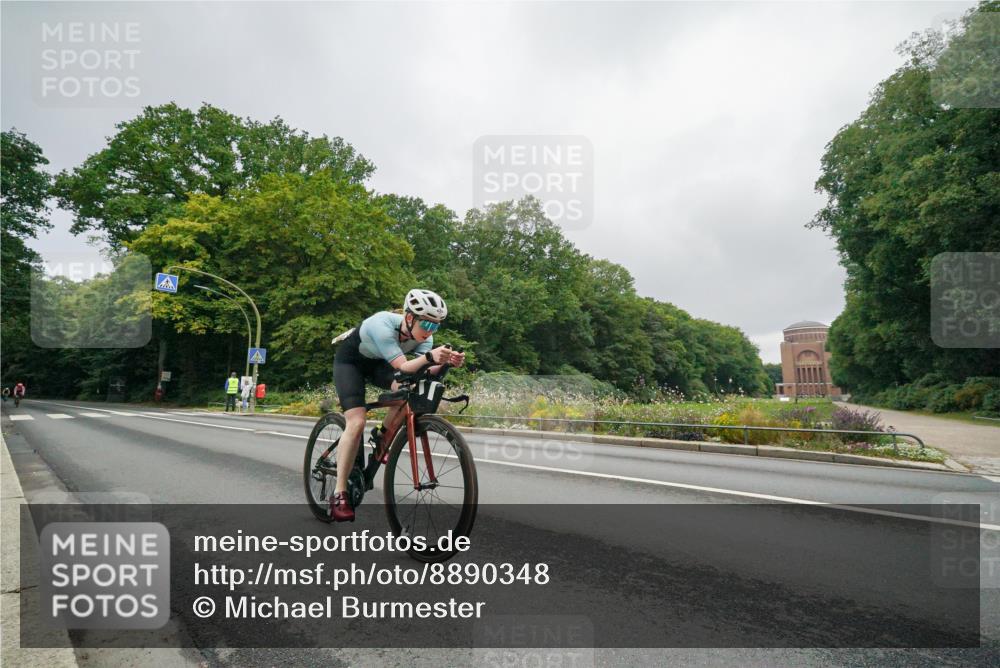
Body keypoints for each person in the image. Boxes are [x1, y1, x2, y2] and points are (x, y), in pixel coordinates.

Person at [330, 289, 464, 522]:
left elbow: (423, 370)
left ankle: (382, 435)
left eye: (436, 327)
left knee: (408, 389)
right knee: (357, 421)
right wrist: (431, 357)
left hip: (381, 364)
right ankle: (339, 493)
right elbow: (403, 367)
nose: (430, 331)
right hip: (351, 364)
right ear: (409, 318)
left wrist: (446, 363)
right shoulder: (381, 324)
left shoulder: (425, 337)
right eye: (427, 325)